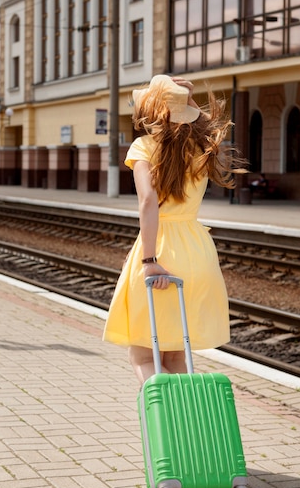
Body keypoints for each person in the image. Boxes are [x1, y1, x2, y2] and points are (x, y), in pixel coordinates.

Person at [103, 74, 245, 385]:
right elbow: (208, 126)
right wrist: (187, 100)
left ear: (152, 112)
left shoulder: (144, 147)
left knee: (142, 355)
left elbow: (148, 202)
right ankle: (187, 426)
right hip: (197, 251)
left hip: (161, 250)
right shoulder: (202, 146)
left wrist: (149, 260)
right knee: (176, 355)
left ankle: (165, 424)